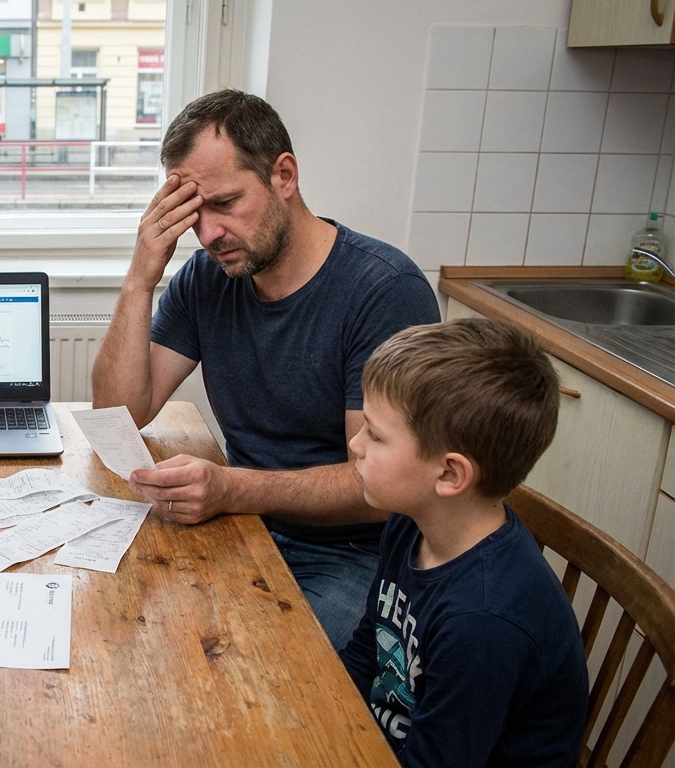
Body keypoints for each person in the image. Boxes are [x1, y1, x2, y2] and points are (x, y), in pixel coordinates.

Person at [92, 89, 440, 650]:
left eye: (225, 204)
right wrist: (139, 280)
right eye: (192, 215)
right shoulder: (209, 278)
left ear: (284, 175)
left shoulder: (383, 292)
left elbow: (376, 488)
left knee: (251, 671)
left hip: (355, 552)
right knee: (129, 631)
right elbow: (119, 413)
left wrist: (232, 488)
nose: (206, 236)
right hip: (248, 523)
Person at [338, 318, 587, 765]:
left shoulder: (485, 619)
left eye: (375, 434)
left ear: (451, 474)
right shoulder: (410, 523)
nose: (355, 444)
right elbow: (366, 650)